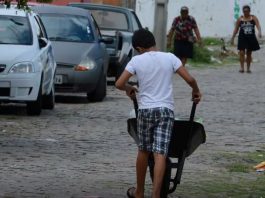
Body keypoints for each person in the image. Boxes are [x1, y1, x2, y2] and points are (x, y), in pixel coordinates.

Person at [115, 28, 201, 198]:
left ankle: (139, 192)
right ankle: (156, 195)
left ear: (139, 48)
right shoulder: (170, 58)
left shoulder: (136, 60)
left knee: (143, 151)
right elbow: (190, 79)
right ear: (153, 42)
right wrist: (195, 91)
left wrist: (129, 88)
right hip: (165, 111)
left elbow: (119, 83)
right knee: (160, 153)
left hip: (146, 111)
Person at [231, 5, 261, 73]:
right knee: (241, 52)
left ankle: (248, 68)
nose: (245, 13)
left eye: (247, 11)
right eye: (244, 11)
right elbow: (236, 29)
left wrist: (259, 32)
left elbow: (258, 25)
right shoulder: (240, 19)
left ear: (249, 11)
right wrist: (232, 38)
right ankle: (241, 68)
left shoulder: (253, 18)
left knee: (249, 53)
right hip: (242, 37)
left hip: (251, 37)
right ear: (243, 12)